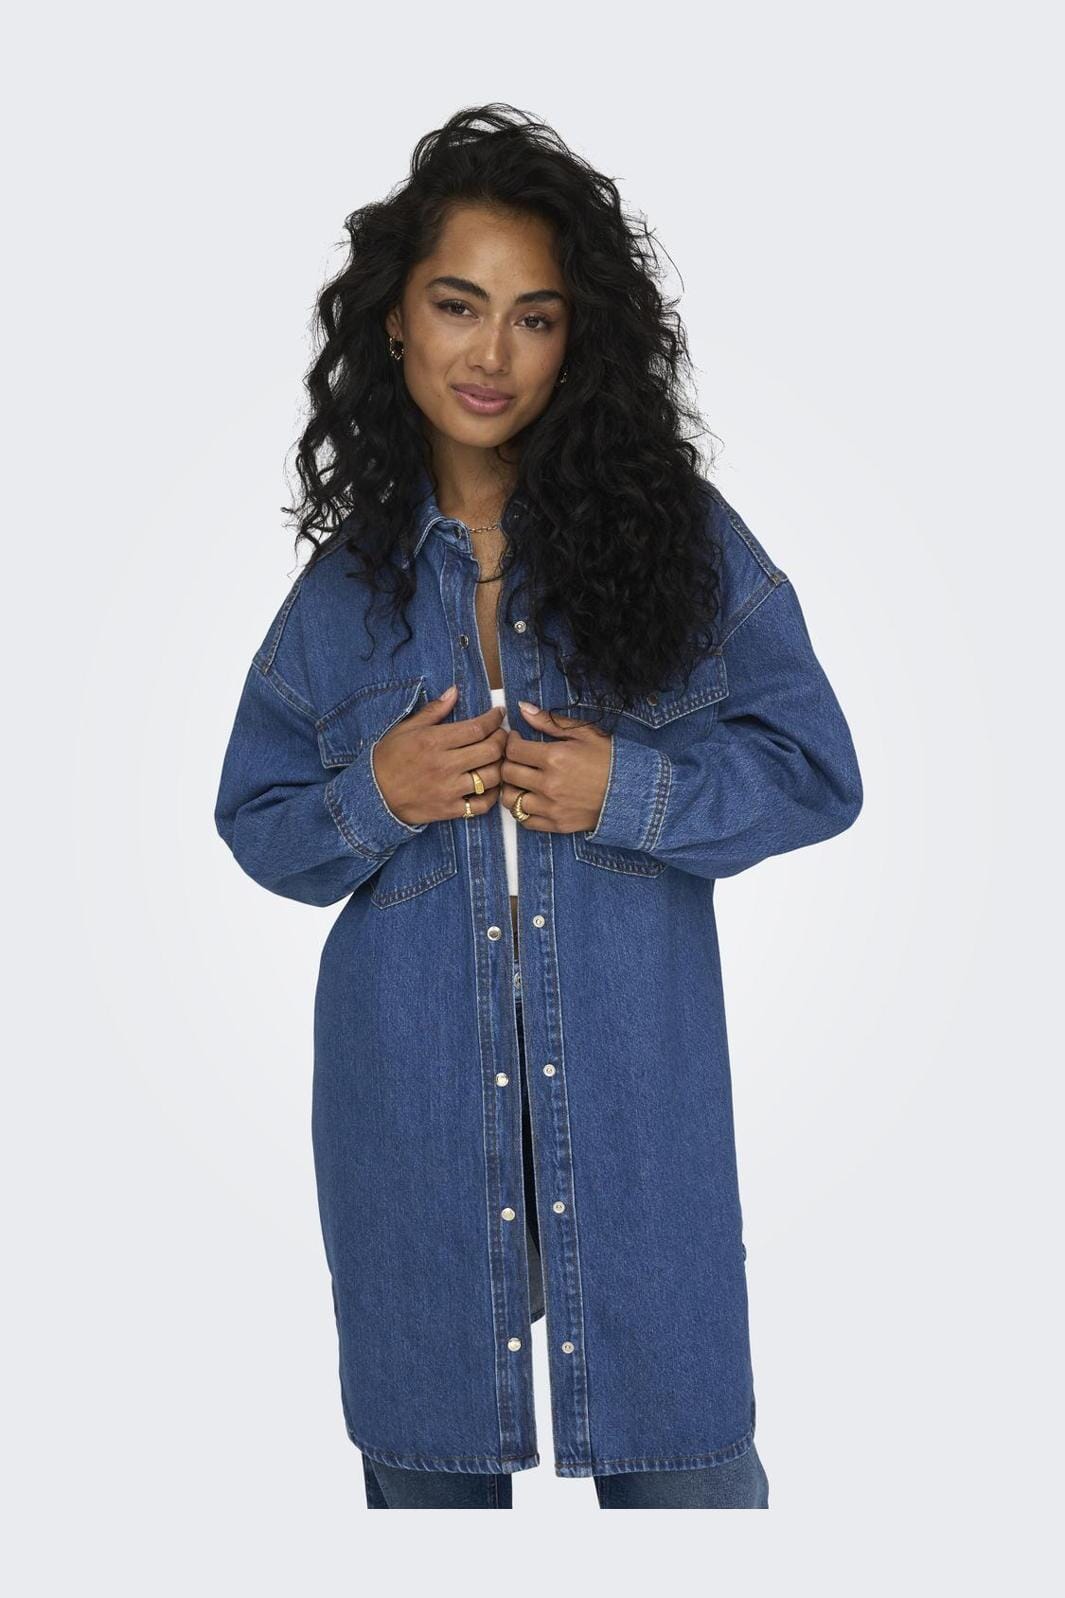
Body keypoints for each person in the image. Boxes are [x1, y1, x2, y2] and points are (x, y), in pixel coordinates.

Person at [214, 103, 863, 1510]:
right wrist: (373, 797)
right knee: (427, 1492)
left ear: (580, 342)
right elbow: (255, 816)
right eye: (458, 305)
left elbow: (817, 768)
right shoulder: (344, 595)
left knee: (694, 1484)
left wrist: (631, 790)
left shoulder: (679, 545)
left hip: (640, 1132)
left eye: (536, 317)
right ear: (395, 321)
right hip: (413, 1139)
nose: (491, 355)